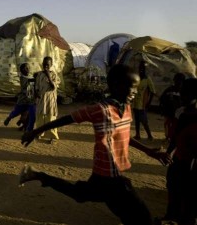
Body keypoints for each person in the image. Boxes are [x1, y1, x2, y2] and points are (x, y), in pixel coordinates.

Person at [20, 64, 171, 225]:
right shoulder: (100, 110)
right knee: (141, 216)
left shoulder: (126, 108)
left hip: (108, 173)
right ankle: (36, 175)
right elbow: (66, 119)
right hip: (110, 177)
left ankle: (36, 175)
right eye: (131, 87)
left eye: (136, 87)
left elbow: (124, 136)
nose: (135, 92)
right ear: (115, 85)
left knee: (82, 195)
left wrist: (149, 151)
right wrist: (35, 131)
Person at [161, 78, 197, 225]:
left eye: (186, 94)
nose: (182, 97)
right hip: (180, 160)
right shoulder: (183, 114)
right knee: (174, 188)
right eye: (182, 93)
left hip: (191, 164)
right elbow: (176, 136)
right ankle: (171, 216)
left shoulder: (192, 116)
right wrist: (169, 152)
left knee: (188, 197)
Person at [34, 56, 60, 144]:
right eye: (44, 64)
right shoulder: (39, 75)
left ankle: (52, 136)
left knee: (51, 118)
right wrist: (36, 92)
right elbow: (36, 86)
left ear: (51, 65)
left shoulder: (54, 75)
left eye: (48, 65)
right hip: (41, 100)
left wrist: (48, 75)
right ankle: (39, 133)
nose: (46, 67)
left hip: (50, 101)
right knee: (40, 118)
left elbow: (53, 87)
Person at [4, 63, 36, 132]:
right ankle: (9, 118)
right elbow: (29, 88)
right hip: (23, 100)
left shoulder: (30, 78)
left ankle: (25, 126)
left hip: (30, 100)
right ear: (22, 71)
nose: (28, 70)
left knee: (29, 114)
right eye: (25, 68)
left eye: (28, 68)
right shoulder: (23, 78)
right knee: (16, 111)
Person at [159, 73, 185, 142]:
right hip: (168, 112)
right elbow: (162, 99)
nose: (178, 82)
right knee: (168, 125)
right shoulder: (169, 89)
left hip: (178, 114)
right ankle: (168, 137)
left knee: (175, 126)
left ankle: (172, 137)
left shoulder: (184, 92)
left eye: (180, 81)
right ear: (174, 80)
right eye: (177, 80)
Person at [133, 61, 156, 140]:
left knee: (143, 120)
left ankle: (149, 135)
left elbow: (153, 91)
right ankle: (137, 135)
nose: (141, 70)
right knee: (136, 119)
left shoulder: (147, 79)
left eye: (143, 68)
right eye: (140, 68)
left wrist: (149, 102)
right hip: (135, 102)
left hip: (142, 103)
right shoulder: (136, 77)